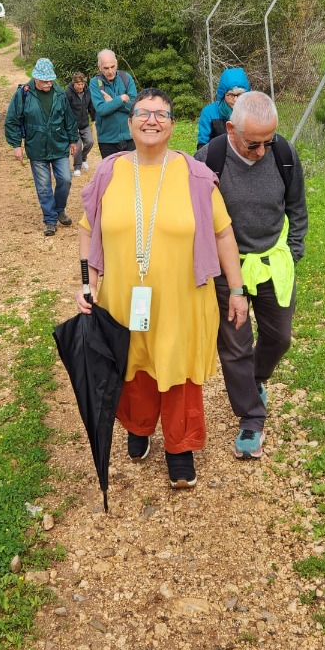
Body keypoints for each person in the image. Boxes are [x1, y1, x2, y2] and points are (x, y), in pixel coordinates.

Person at [77, 89, 248, 489]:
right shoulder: (109, 172)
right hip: (123, 297)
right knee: (132, 364)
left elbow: (223, 234)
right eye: (143, 112)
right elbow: (88, 232)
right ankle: (139, 427)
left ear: (173, 125)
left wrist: (237, 289)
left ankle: (180, 446)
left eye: (161, 114)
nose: (151, 120)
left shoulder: (195, 176)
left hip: (182, 299)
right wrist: (87, 283)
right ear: (129, 120)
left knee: (178, 371)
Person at [194, 91, 307, 460]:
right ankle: (251, 418)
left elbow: (297, 208)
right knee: (235, 346)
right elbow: (196, 218)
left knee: (280, 338)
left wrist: (294, 249)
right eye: (253, 144)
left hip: (274, 264)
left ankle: (254, 379)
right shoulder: (209, 160)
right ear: (231, 128)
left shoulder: (284, 156)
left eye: (268, 142)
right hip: (230, 269)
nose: (262, 151)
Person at [4, 58, 78, 236]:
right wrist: (16, 145)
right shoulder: (24, 94)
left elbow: (69, 118)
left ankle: (59, 209)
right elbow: (12, 121)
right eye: (45, 80)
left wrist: (73, 140)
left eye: (50, 79)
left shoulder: (59, 94)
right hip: (36, 147)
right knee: (44, 186)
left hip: (58, 144)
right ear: (35, 78)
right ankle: (50, 220)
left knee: (66, 179)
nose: (48, 83)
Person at [89, 49, 137, 159]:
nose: (110, 71)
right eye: (106, 68)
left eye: (113, 66)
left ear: (117, 64)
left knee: (131, 174)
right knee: (111, 175)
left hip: (130, 137)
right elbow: (101, 109)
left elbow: (134, 108)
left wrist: (112, 102)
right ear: (99, 67)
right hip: (107, 141)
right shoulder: (95, 83)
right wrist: (121, 99)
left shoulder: (126, 78)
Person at [196, 67, 250, 149]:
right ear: (223, 94)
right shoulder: (209, 113)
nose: (236, 99)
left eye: (240, 94)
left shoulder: (253, 111)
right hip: (218, 156)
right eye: (231, 95)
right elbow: (203, 145)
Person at [65, 71, 95, 175]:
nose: (81, 86)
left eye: (82, 84)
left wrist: (94, 119)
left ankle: (83, 159)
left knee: (90, 142)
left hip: (85, 123)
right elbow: (65, 110)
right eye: (79, 84)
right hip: (73, 125)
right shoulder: (68, 93)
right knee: (77, 146)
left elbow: (91, 106)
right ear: (74, 84)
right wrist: (69, 125)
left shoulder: (87, 91)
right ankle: (77, 167)